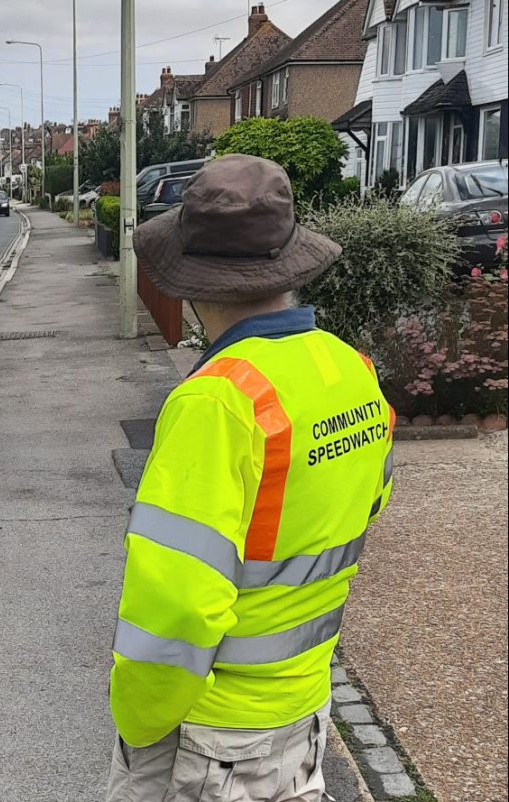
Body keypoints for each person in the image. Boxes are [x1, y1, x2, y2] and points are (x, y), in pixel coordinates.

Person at [107, 155, 394, 801]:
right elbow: (365, 506)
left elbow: (177, 604)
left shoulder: (217, 400)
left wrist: (141, 719)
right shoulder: (349, 366)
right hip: (303, 700)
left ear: (187, 279)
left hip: (218, 730)